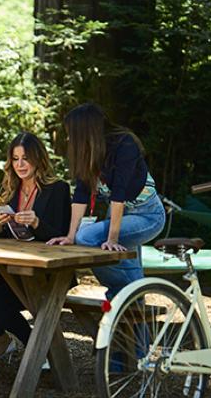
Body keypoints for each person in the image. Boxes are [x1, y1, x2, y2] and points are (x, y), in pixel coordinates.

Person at [0, 132, 71, 368]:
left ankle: (36, 349)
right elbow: (2, 239)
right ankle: (1, 340)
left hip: (45, 270)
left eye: (25, 158)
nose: (20, 164)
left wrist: (37, 223)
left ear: (38, 159)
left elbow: (62, 236)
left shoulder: (57, 189)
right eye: (15, 158)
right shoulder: (11, 190)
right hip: (12, 266)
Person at [47, 103, 166, 306]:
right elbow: (81, 195)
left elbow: (119, 193)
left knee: (86, 238)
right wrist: (69, 235)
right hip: (118, 216)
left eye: (71, 133)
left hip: (147, 216)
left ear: (85, 131)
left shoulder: (124, 144)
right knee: (132, 280)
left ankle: (118, 292)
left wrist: (112, 237)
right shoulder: (89, 153)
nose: (69, 139)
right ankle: (137, 326)